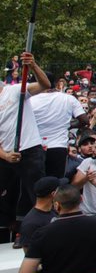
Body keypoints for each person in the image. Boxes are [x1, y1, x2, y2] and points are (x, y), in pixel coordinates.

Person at [0, 52, 50, 233]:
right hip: (6, 154)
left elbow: (45, 85)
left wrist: (34, 65)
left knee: (37, 192)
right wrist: (6, 155)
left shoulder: (13, 90)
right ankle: (10, 225)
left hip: (29, 149)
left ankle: (37, 231)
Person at [31, 73, 86, 178]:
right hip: (58, 148)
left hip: (34, 148)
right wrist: (68, 125)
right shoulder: (68, 99)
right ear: (56, 84)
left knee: (34, 185)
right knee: (55, 184)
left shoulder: (28, 100)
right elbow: (84, 120)